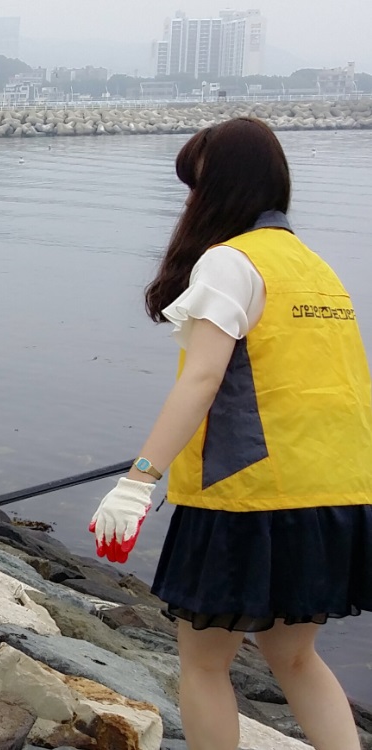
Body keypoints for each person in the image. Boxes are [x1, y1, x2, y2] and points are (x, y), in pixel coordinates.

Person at [89, 117, 372, 749]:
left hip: (246, 498)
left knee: (205, 663)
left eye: (194, 186)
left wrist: (138, 482)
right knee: (296, 657)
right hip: (335, 494)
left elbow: (202, 381)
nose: (189, 202)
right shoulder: (314, 267)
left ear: (218, 188)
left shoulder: (229, 261)